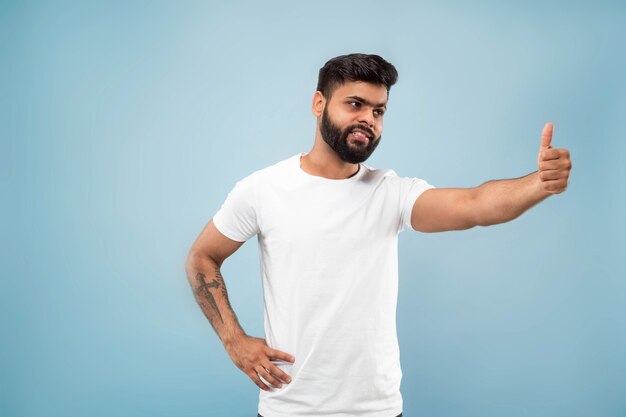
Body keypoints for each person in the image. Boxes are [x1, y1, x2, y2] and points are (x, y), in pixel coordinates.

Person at [185, 53, 572, 417]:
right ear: (319, 104)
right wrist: (234, 340)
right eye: (355, 104)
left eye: (378, 110)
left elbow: (474, 205)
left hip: (377, 408)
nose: (368, 118)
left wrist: (539, 183)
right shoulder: (262, 189)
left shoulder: (391, 192)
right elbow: (203, 257)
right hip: (290, 407)